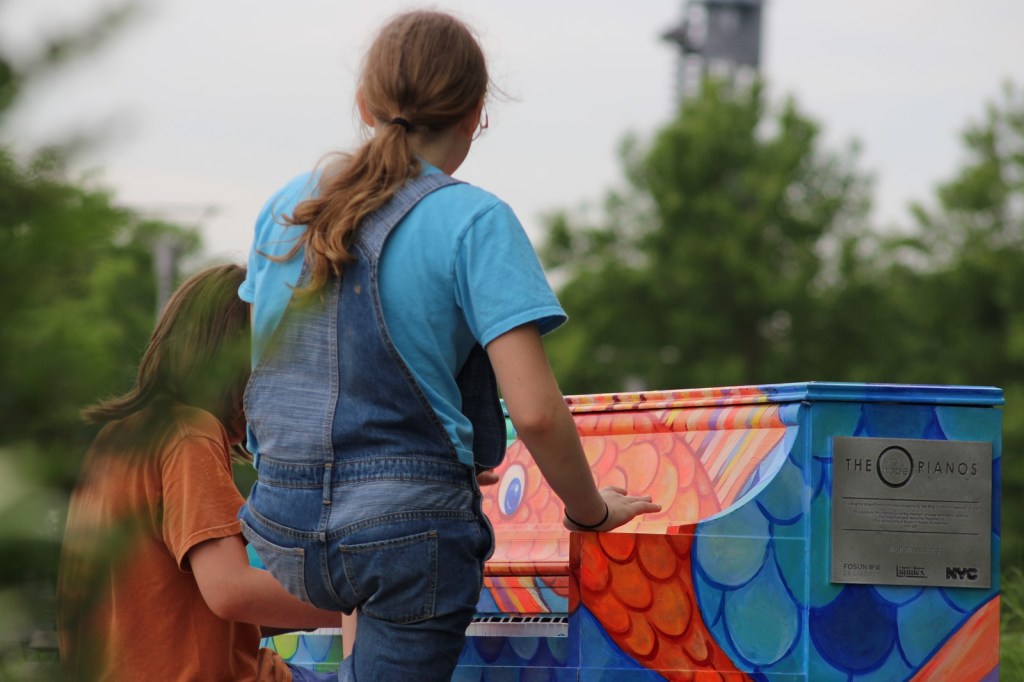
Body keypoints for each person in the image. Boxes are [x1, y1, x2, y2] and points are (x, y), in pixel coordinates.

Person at [238, 10, 661, 681]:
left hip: (283, 523)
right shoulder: (475, 220)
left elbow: (275, 369)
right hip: (406, 534)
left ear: (364, 104)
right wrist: (591, 512)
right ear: (474, 115)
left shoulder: (287, 206)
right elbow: (536, 413)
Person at [57, 264, 339, 682]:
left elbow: (169, 612)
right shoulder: (190, 433)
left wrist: (305, 611)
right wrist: (359, 607)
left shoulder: (117, 438)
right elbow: (230, 591)